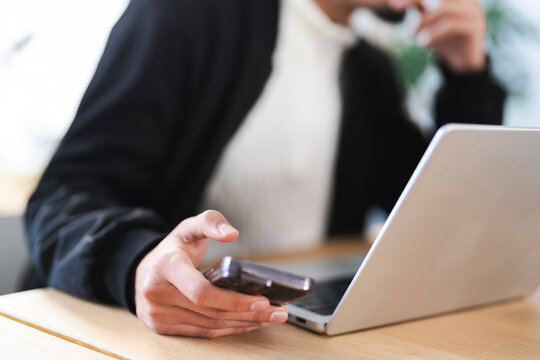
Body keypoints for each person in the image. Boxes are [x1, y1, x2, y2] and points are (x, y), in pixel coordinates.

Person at [25, 0, 505, 338]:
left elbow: (435, 218)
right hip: (149, 337)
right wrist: (136, 261)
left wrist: (468, 75)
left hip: (282, 336)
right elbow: (64, 194)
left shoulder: (366, 70)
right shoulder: (186, 15)